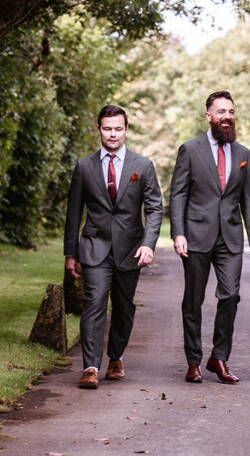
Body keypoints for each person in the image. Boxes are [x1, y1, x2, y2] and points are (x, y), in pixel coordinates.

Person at [64, 105, 163, 389]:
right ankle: (90, 366)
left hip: (131, 249)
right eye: (107, 128)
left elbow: (155, 208)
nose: (113, 134)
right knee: (94, 303)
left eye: (118, 128)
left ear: (126, 130)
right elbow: (74, 212)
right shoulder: (84, 166)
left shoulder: (142, 166)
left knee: (123, 307)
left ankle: (116, 357)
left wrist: (148, 244)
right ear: (99, 130)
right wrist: (71, 253)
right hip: (94, 247)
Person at [170, 91, 250, 384]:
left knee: (231, 295)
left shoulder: (243, 153)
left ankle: (219, 358)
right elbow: (178, 194)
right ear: (208, 116)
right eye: (221, 111)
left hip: (230, 236)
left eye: (231, 111)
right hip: (196, 234)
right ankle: (193, 361)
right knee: (193, 300)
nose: (227, 116)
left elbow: (248, 198)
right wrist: (179, 232)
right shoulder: (190, 149)